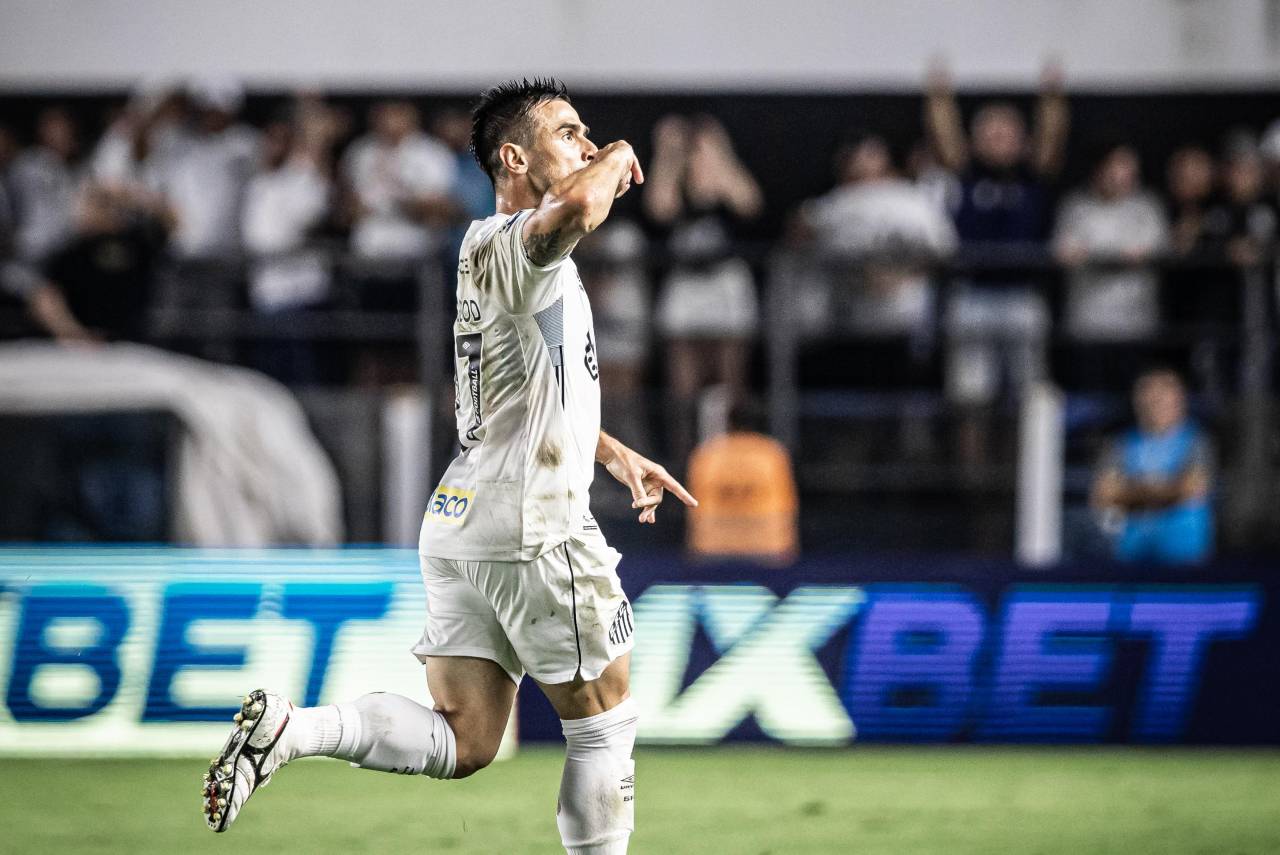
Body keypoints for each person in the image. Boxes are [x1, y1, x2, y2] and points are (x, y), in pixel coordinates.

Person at [203, 79, 696, 855]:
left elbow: (521, 390)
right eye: (568, 132)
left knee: (467, 738)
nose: (587, 144)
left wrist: (609, 448)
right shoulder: (522, 242)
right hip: (534, 522)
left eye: (588, 134)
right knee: (604, 721)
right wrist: (623, 153)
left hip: (463, 517)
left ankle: (294, 730)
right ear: (514, 159)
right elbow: (581, 206)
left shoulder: (484, 249)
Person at [924, 62, 1068, 461]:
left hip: (1022, 296)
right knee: (970, 398)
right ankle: (974, 480)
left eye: (1007, 134)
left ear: (1022, 140)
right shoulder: (966, 176)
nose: (999, 141)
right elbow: (946, 141)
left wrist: (1052, 100)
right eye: (990, 134)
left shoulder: (1031, 178)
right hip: (973, 295)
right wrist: (939, 99)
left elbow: (1051, 140)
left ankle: (1025, 474)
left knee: (1029, 396)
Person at [643, 114, 763, 467]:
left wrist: (718, 151)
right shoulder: (674, 180)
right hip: (686, 286)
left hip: (726, 283)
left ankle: (731, 458)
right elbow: (659, 210)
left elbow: (749, 204)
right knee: (683, 390)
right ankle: (685, 463)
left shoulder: (725, 182)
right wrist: (668, 155)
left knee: (729, 385)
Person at [1052, 141, 1168, 385]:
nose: (1119, 174)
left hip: (1136, 324)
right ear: (1098, 169)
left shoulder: (1148, 207)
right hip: (1088, 324)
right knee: (1090, 392)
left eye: (1127, 167)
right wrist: (1119, 256)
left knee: (1132, 390)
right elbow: (1066, 253)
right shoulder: (1075, 207)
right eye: (1114, 166)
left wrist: (1095, 255)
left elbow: (1150, 251)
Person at [1091, 368, 1214, 564]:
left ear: (1180, 399)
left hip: (1184, 557)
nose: (1156, 401)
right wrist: (1167, 490)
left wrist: (1131, 493)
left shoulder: (1196, 440)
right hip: (1133, 554)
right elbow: (1104, 495)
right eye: (1149, 393)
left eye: (1164, 394)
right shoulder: (1121, 443)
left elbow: (1192, 488)